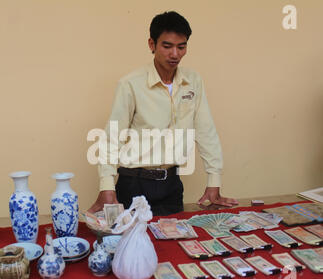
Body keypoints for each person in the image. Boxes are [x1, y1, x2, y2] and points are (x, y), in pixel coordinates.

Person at [88, 11, 238, 215]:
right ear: (152, 44)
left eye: (181, 46)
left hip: (172, 185)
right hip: (134, 184)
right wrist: (106, 186)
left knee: (173, 243)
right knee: (132, 245)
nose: (175, 54)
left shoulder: (193, 81)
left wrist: (214, 180)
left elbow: (205, 130)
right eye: (167, 46)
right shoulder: (130, 84)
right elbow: (113, 136)